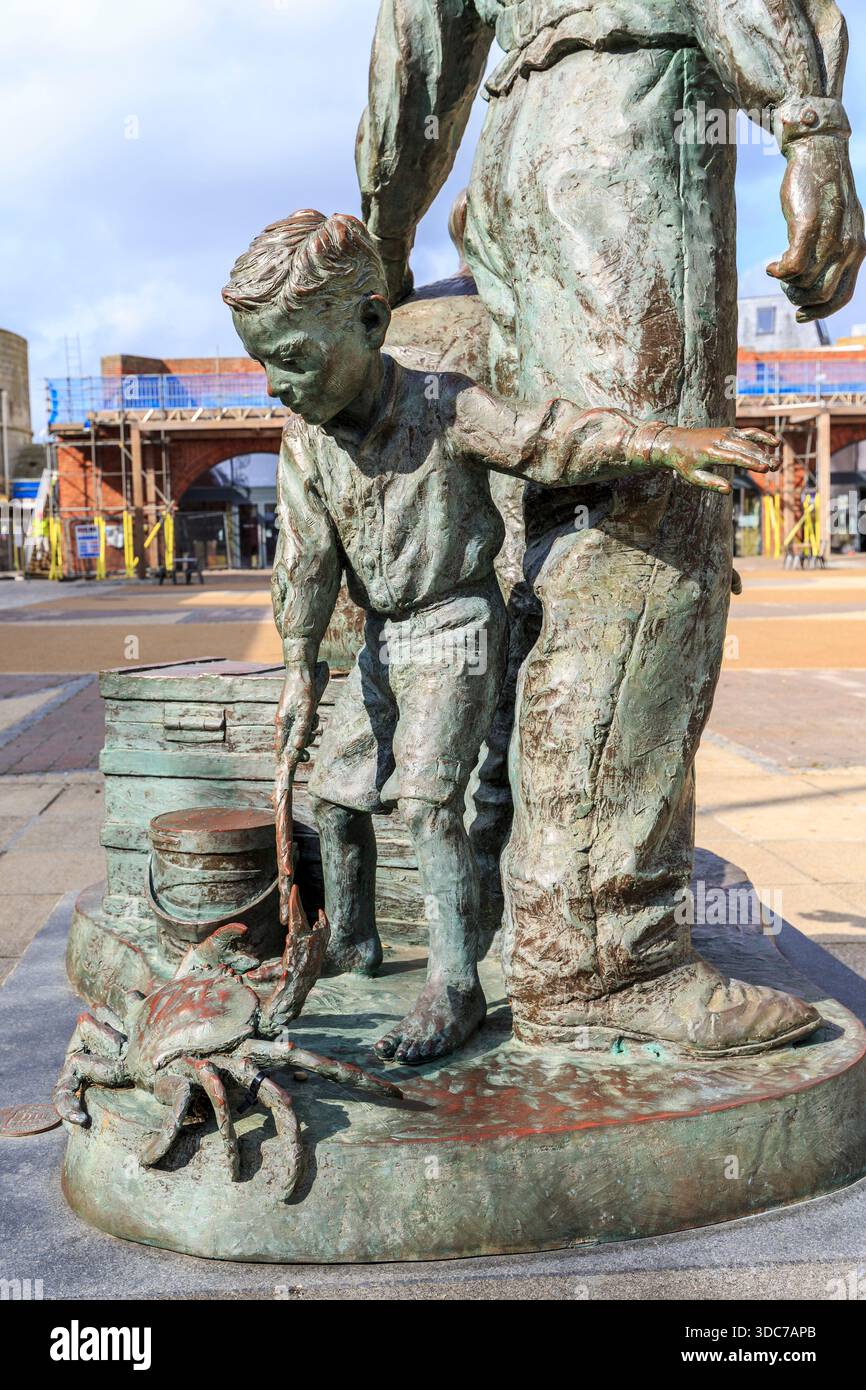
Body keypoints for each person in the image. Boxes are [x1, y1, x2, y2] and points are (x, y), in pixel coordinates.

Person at [356, 0, 862, 1053]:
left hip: (515, 141)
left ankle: (542, 909)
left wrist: (388, 226)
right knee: (649, 509)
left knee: (550, 511)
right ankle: (599, 956)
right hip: (628, 123)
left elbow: (417, 41)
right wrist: (807, 122)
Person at [222, 208, 794, 1063]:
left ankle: (455, 984)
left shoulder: (442, 405)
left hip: (455, 624)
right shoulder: (305, 436)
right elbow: (305, 558)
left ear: (371, 322)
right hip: (382, 641)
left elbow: (548, 441)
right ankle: (351, 944)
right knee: (335, 801)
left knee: (425, 803)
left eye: (294, 357)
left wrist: (660, 442)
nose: (276, 382)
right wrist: (301, 665)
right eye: (262, 360)